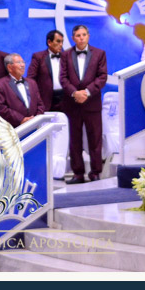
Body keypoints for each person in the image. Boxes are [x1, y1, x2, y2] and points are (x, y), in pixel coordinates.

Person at [60, 25, 108, 183]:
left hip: (92, 103)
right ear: (73, 38)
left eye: (84, 35)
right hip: (72, 104)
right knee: (74, 140)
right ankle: (78, 173)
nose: (81, 38)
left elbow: (102, 77)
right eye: (78, 35)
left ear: (88, 36)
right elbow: (63, 78)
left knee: (95, 139)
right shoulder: (65, 55)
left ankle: (95, 172)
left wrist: (86, 92)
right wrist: (75, 93)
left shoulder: (99, 53)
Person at [0, 54, 44, 127]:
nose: (22, 65)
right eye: (19, 62)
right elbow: (1, 108)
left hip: (35, 127)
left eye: (23, 62)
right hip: (13, 128)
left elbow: (40, 104)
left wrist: (36, 119)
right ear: (9, 67)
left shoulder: (32, 83)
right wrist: (21, 119)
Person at [27, 30, 65, 112]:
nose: (61, 44)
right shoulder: (38, 57)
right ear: (49, 42)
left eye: (62, 42)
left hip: (64, 100)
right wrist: (36, 97)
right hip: (45, 99)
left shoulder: (66, 57)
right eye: (58, 41)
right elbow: (30, 79)